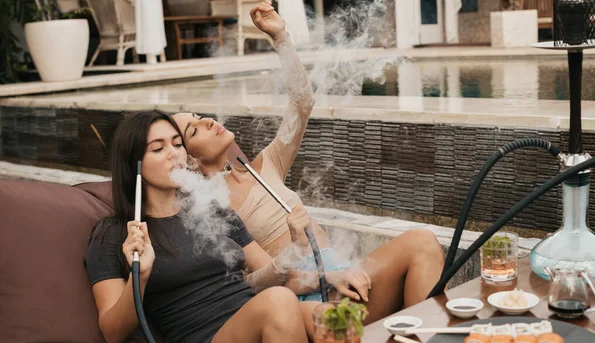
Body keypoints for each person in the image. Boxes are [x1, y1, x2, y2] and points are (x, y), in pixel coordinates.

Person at [172, 1, 445, 325]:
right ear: (187, 160)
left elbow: (302, 103)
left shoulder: (264, 167)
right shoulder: (210, 213)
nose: (207, 121)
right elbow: (243, 285)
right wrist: (319, 278)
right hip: (304, 297)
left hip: (345, 273)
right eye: (194, 129)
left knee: (423, 243)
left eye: (201, 116)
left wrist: (281, 38)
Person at [85, 109, 310, 343]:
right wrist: (139, 277)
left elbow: (275, 272)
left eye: (178, 144)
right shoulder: (116, 233)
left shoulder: (211, 208)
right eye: (159, 148)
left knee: (333, 316)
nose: (174, 154)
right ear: (135, 165)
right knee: (278, 302)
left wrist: (299, 245)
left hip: (250, 314)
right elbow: (112, 333)